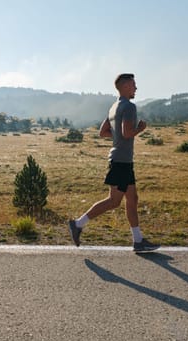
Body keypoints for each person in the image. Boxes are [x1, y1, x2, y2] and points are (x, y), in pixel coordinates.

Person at [68, 73, 160, 252]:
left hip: (122, 160)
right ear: (125, 86)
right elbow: (126, 133)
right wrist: (139, 129)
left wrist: (119, 136)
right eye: (133, 85)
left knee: (132, 199)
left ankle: (138, 240)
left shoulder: (113, 107)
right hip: (121, 162)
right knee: (113, 201)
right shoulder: (129, 107)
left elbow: (103, 132)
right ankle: (78, 224)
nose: (136, 88)